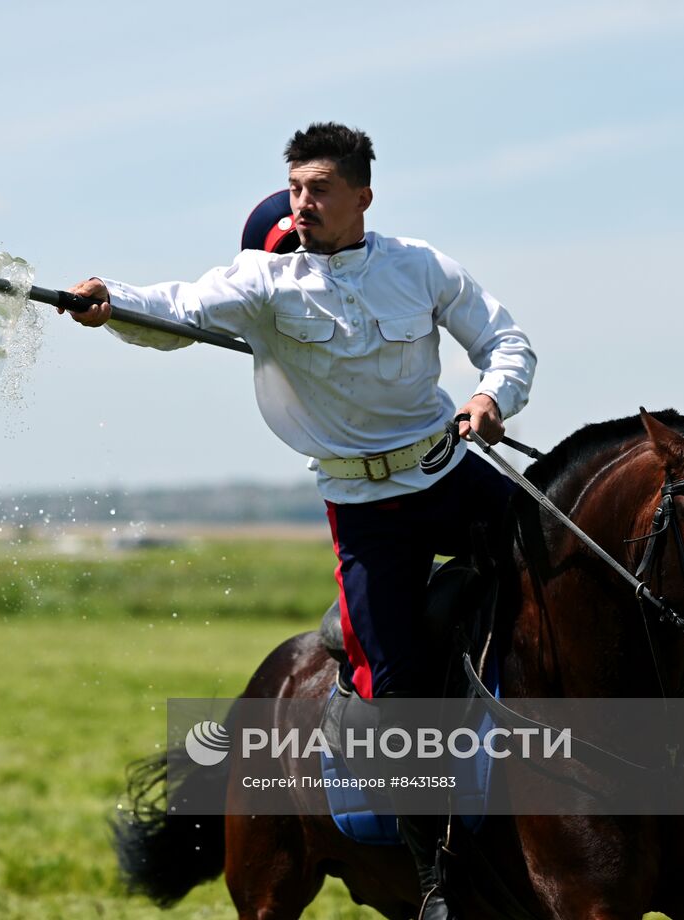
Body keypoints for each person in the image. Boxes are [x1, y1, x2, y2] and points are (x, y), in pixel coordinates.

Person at [60, 123, 536, 919]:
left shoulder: (421, 266)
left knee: (579, 572)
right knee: (395, 697)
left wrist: (492, 396)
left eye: (319, 189)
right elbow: (177, 308)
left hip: (450, 473)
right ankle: (438, 883)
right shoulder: (265, 281)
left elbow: (506, 340)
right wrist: (111, 303)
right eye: (295, 188)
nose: (302, 203)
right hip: (367, 513)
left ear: (362, 197)